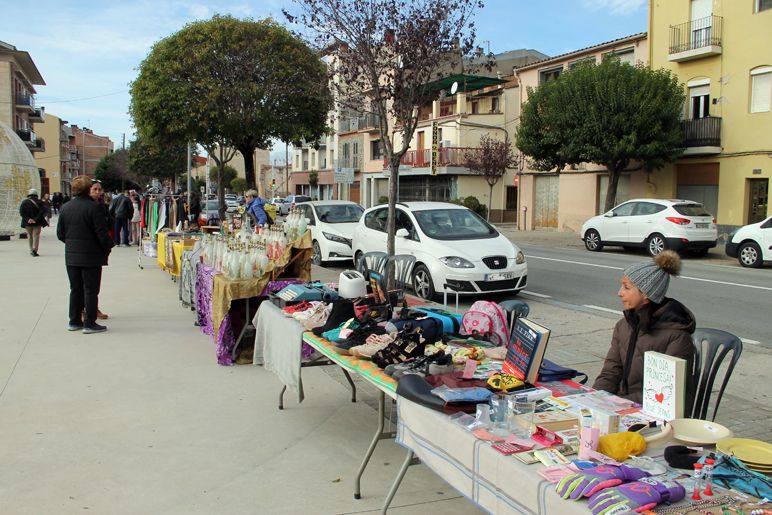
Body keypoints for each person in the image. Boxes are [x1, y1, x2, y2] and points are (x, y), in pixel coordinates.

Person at [593, 250, 695, 404]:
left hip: (656, 411)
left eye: (626, 287)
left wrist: (618, 402)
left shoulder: (677, 336)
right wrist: (595, 398)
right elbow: (611, 371)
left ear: (646, 293)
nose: (619, 293)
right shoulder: (623, 325)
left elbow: (666, 392)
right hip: (622, 403)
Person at [57, 175, 115, 334]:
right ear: (88, 188)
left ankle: (74, 320)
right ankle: (89, 323)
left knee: (75, 288)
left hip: (72, 255)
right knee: (90, 290)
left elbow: (60, 234)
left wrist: (72, 244)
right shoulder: (94, 207)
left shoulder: (65, 207)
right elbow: (101, 233)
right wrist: (109, 246)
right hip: (91, 255)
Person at [19, 188, 48, 256]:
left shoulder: (24, 202)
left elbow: (21, 212)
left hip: (27, 222)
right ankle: (35, 250)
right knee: (36, 236)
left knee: (29, 235)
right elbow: (42, 212)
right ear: (36, 194)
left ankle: (31, 249)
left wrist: (28, 219)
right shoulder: (40, 202)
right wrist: (35, 219)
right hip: (37, 222)